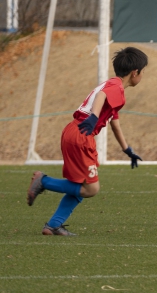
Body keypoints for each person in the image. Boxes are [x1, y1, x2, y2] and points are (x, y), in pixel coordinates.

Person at [26, 47, 148, 236]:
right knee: (91, 189)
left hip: (74, 131)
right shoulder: (115, 88)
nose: (143, 75)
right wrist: (93, 117)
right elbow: (102, 96)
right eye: (143, 71)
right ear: (135, 73)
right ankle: (44, 181)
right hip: (82, 134)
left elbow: (115, 123)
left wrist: (127, 149)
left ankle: (53, 225)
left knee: (80, 185)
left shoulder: (112, 85)